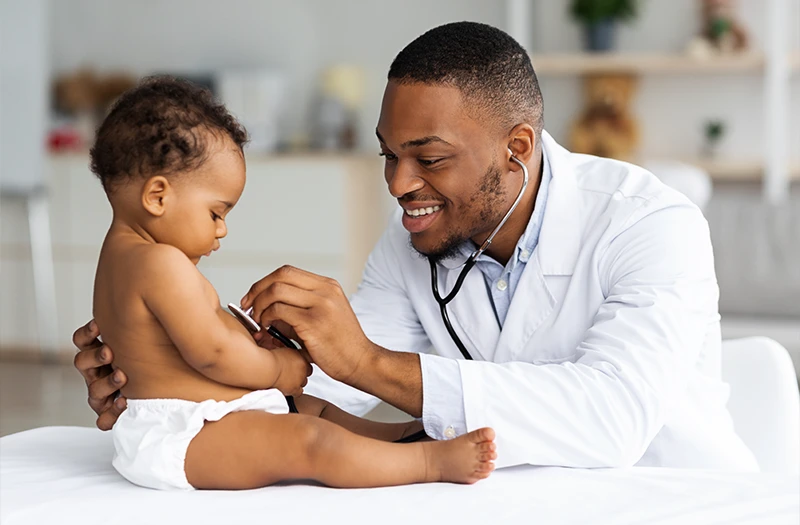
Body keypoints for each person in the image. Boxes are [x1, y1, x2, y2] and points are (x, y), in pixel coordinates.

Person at [75, 22, 758, 472]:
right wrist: (161, 371)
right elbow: (319, 374)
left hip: (670, 500)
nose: (399, 184)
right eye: (389, 155)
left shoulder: (651, 224)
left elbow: (612, 420)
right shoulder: (413, 246)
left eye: (428, 157)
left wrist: (369, 360)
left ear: (515, 147)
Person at [84, 76, 496, 491]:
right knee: (309, 440)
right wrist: (278, 369)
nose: (223, 230)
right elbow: (211, 353)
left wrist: (254, 348)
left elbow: (179, 342)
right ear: (157, 197)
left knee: (310, 409)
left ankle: (402, 438)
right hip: (187, 435)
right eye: (216, 213)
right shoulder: (160, 263)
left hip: (200, 419)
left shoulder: (120, 259)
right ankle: (428, 462)